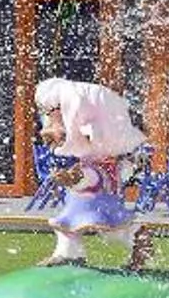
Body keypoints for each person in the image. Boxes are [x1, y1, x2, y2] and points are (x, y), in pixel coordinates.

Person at [34, 78, 154, 271]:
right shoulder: (91, 154)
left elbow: (91, 178)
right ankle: (69, 254)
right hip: (84, 199)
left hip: (99, 196)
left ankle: (137, 236)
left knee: (113, 228)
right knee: (66, 226)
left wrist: (71, 178)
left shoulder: (98, 154)